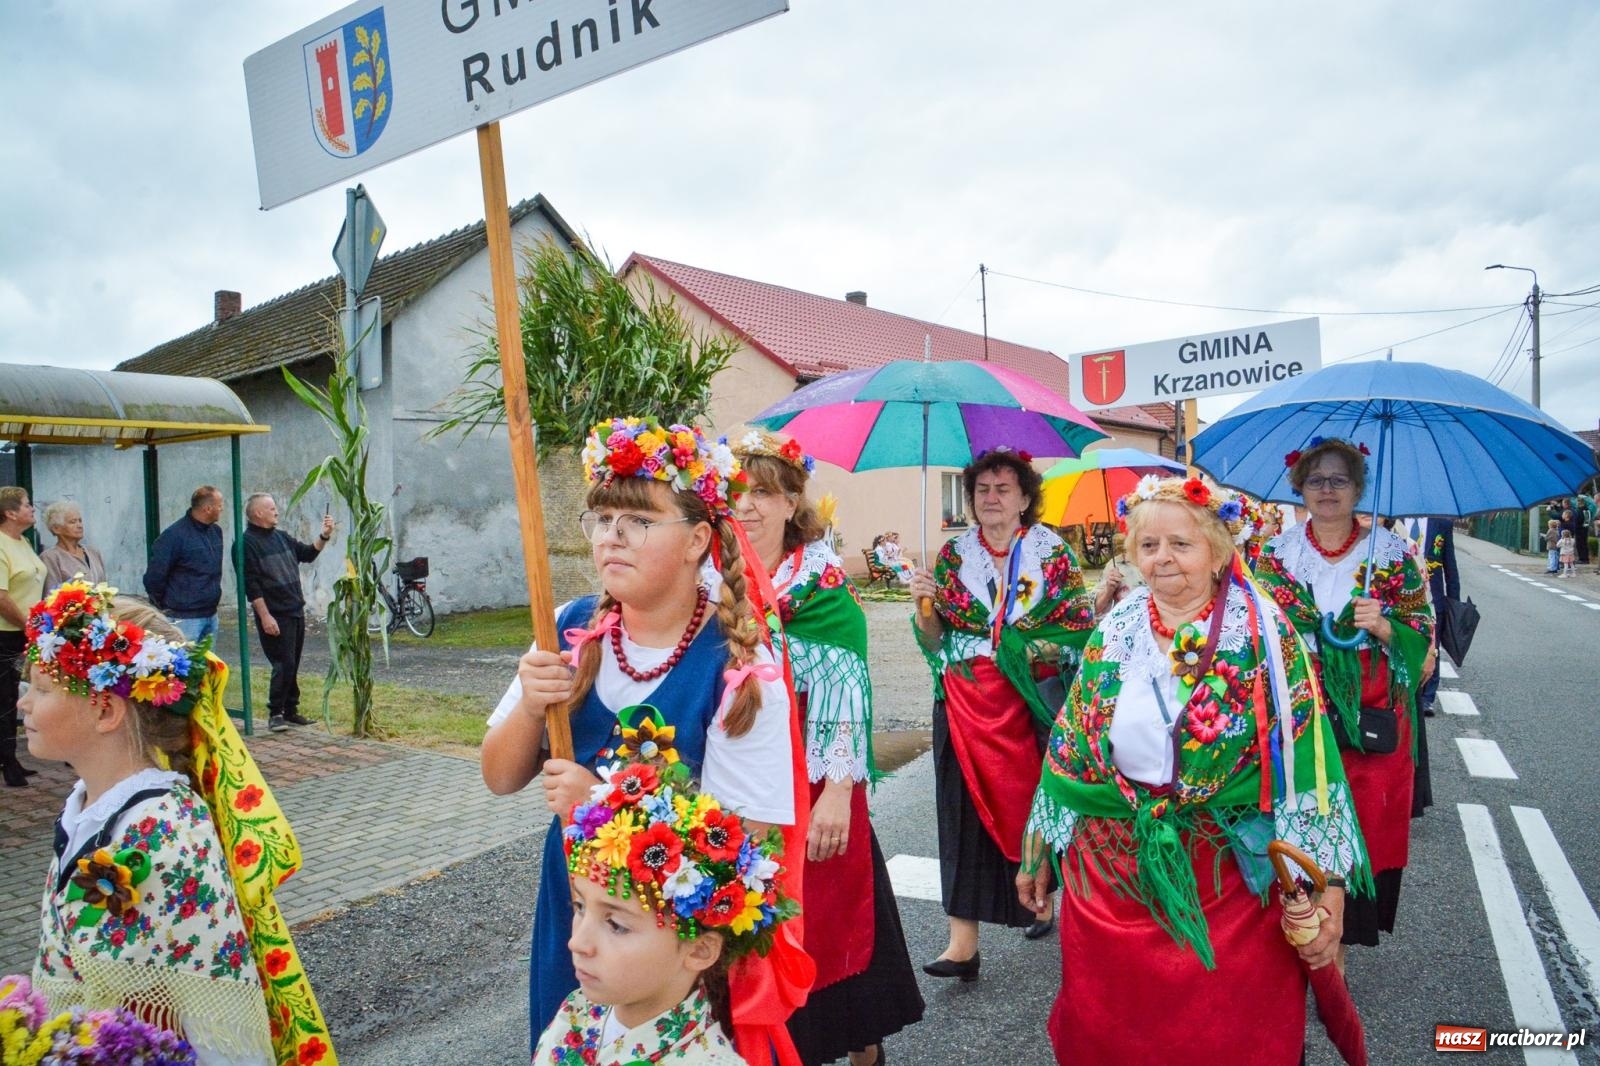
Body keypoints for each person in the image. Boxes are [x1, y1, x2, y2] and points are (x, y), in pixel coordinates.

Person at [481, 417, 805, 1059]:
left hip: (671, 944)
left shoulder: (738, 666)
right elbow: (499, 776)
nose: (612, 536)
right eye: (602, 519)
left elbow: (751, 844)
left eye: (638, 520)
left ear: (697, 540)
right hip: (576, 911)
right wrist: (531, 707)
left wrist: (598, 804)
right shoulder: (569, 629)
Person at [1017, 476, 1369, 1064]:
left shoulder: (1263, 634)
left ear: (1217, 552)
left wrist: (1329, 885)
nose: (1163, 558)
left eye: (1181, 544)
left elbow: (1309, 768)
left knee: (1225, 1033)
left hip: (1225, 877)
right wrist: (1036, 850)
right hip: (1113, 870)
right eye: (1148, 545)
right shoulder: (1116, 630)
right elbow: (1070, 747)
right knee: (1115, 1029)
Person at [17, 581, 335, 1066]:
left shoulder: (163, 830)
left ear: (105, 710)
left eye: (42, 688)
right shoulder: (89, 805)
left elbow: (206, 1020)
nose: (23, 703)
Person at [732, 429, 923, 1066]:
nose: (747, 505)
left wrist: (838, 792)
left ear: (792, 503)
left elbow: (846, 695)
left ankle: (862, 1044)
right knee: (754, 923)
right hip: (741, 786)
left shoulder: (822, 588)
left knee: (831, 917)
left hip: (815, 783)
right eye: (737, 492)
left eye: (764, 492)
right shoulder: (715, 580)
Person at [907, 447, 1096, 980]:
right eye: (982, 490)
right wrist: (923, 607)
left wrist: (1025, 649)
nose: (991, 498)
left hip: (1033, 698)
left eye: (1003, 489)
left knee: (1039, 802)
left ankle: (1042, 898)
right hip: (965, 700)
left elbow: (1077, 627)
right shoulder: (953, 556)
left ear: (1025, 499)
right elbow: (934, 639)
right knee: (960, 813)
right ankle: (962, 944)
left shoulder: (1052, 553)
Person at [1255, 437, 1434, 953]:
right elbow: (1255, 627)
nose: (1327, 489)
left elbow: (1422, 638)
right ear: (1299, 487)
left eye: (1339, 480)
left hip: (1371, 712)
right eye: (1316, 480)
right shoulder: (1276, 555)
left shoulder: (1391, 554)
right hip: (1299, 702)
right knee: (1300, 812)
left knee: (1364, 816)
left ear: (1358, 488)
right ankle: (1300, 928)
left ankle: (1338, 940)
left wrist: (1383, 626)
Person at [536, 754, 797, 1065]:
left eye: (616, 924)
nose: (576, 942)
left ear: (700, 950)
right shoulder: (575, 1015)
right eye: (579, 907)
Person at [239, 493, 333, 732]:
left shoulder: (281, 537)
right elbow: (251, 585)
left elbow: (307, 553)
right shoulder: (246, 543)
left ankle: (291, 710)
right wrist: (265, 616)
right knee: (284, 663)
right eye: (272, 508)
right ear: (258, 513)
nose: (277, 512)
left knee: (293, 662)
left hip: (294, 609)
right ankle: (275, 713)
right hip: (275, 613)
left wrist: (324, 535)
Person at [1, 486, 47, 787]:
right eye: (27, 504)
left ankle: (9, 757)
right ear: (10, 512)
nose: (32, 509)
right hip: (5, 634)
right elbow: (2, 597)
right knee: (5, 698)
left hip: (24, 632)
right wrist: (28, 625)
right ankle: (9, 762)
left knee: (12, 694)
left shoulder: (25, 542)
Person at [144, 486, 225, 643]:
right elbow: (154, 577)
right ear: (208, 508)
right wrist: (166, 605)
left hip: (210, 614)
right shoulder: (173, 536)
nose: (221, 509)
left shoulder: (215, 532)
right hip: (183, 617)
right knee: (184, 658)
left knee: (208, 659)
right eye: (220, 505)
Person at [38, 500, 108, 590]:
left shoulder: (93, 552)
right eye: (73, 522)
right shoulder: (50, 558)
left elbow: (105, 587)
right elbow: (51, 593)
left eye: (80, 521)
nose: (79, 525)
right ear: (56, 529)